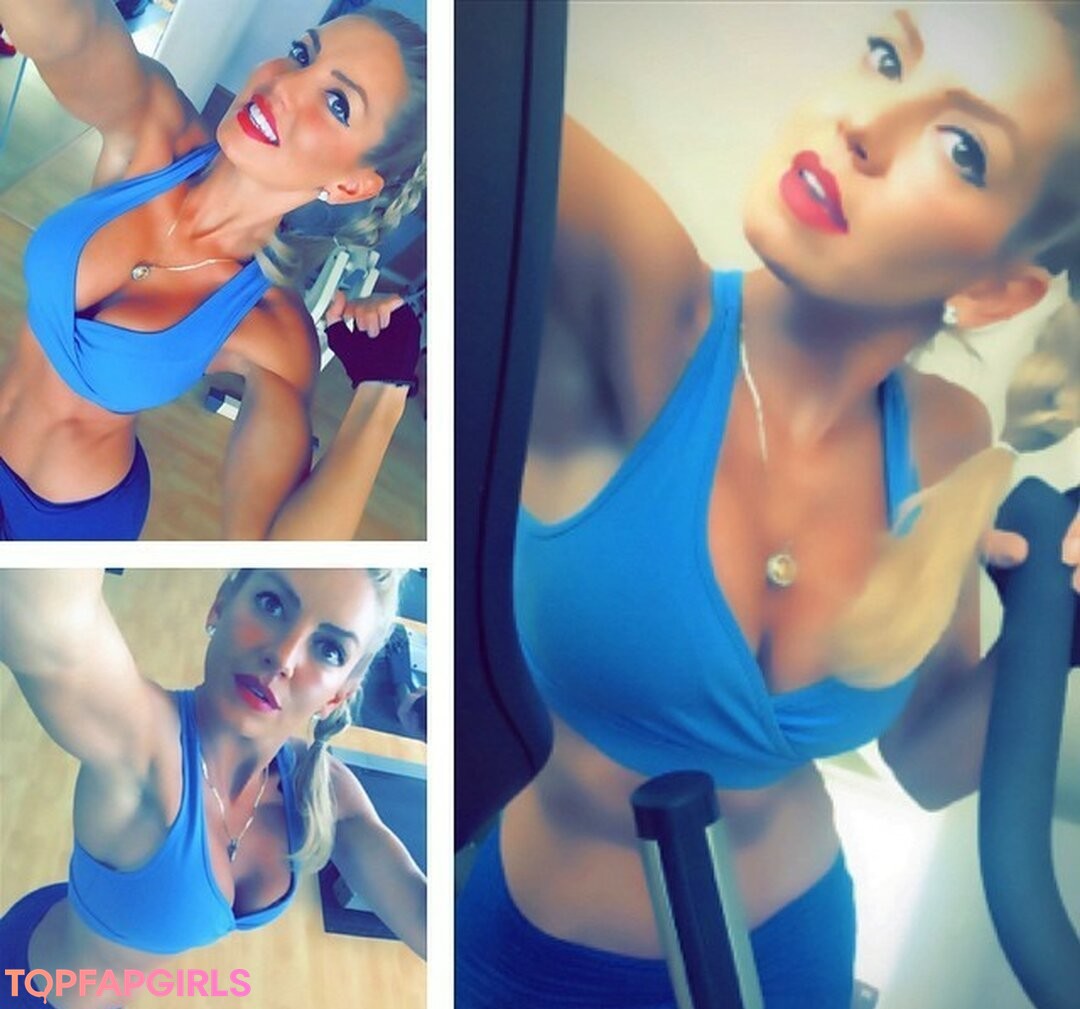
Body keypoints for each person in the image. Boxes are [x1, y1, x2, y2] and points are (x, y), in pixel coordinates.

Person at [456, 3, 1080, 1008]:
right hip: (533, 963)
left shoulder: (946, 437)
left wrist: (1059, 628)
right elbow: (480, 69)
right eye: (888, 58)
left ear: (997, 289)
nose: (863, 124)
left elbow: (927, 760)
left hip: (787, 958)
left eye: (962, 146)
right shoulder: (639, 303)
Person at [0, 0, 426, 540]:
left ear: (349, 185)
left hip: (61, 523)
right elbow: (64, 29)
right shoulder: (153, 125)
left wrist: (383, 392)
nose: (283, 85)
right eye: (301, 54)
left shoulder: (273, 332)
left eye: (337, 103)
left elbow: (274, 554)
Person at [0, 568, 427, 1009]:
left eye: (330, 650)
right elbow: (42, 613)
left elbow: (425, 919)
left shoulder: (320, 788)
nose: (283, 657)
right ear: (221, 604)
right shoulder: (143, 743)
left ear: (337, 696)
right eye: (271, 604)